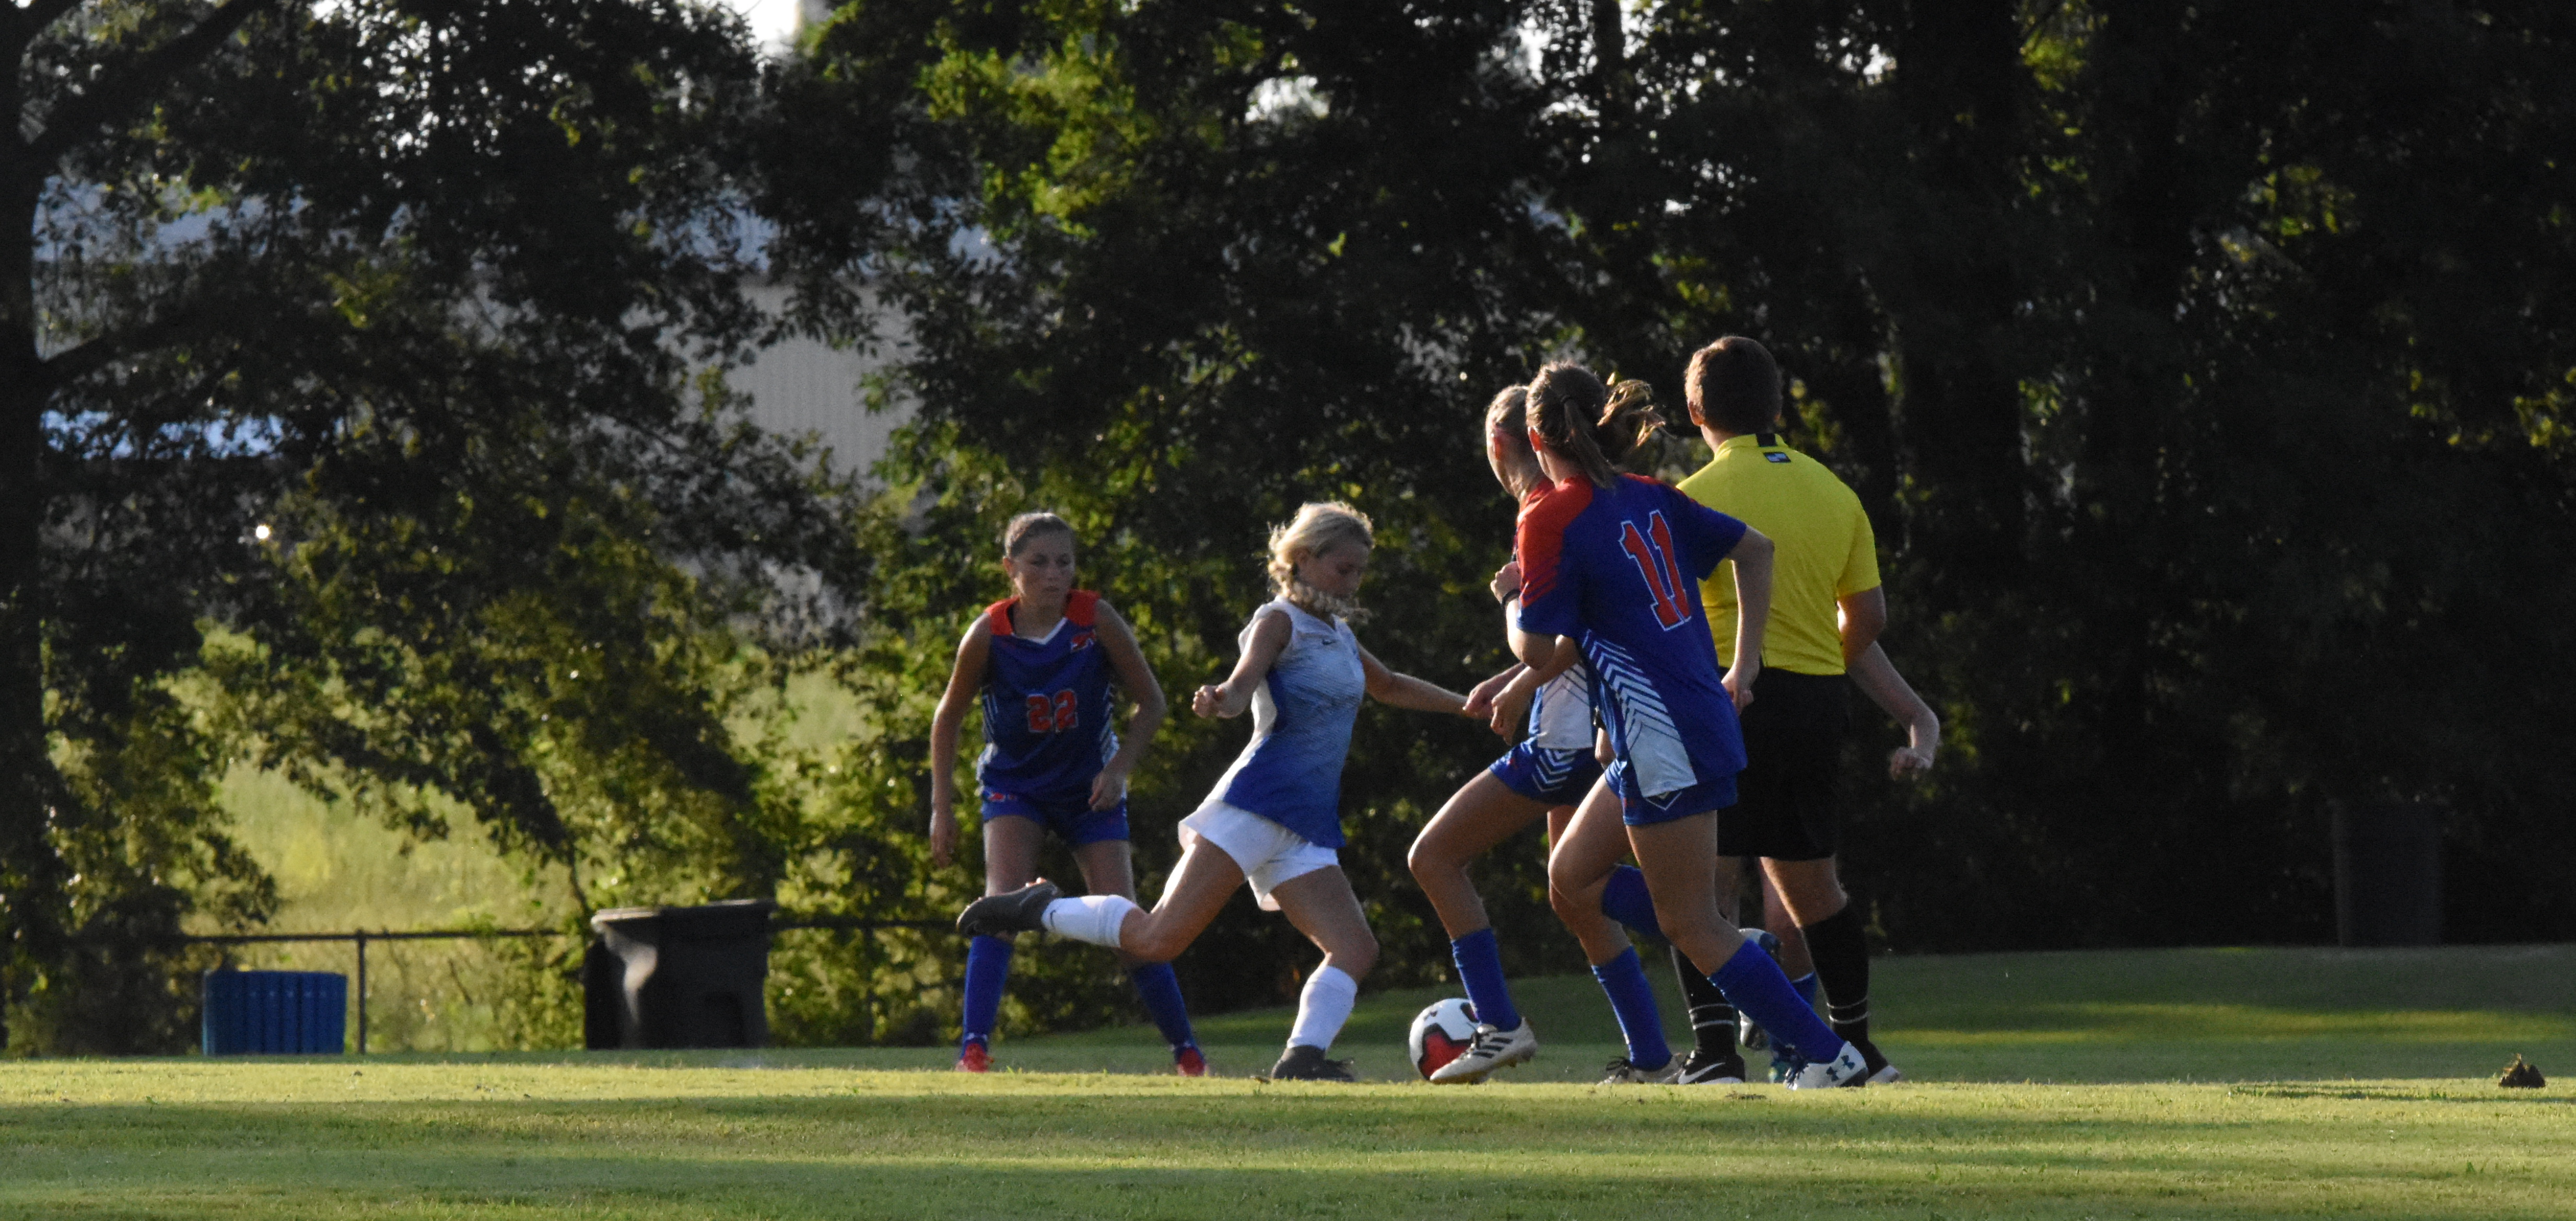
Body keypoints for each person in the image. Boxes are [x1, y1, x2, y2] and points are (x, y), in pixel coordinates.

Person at [957, 502, 1480, 1080]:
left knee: (1356, 949)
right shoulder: (1278, 620)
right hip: (1255, 806)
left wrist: (1468, 706)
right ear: (1304, 561)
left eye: (1359, 571)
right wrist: (1222, 700)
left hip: (1302, 823)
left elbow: (1389, 686)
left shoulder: (1338, 633)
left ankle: (1301, 1060)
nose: (1353, 582)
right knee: (1156, 939)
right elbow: (1242, 682)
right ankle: (1043, 908)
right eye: (1343, 569)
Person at [1513, 361, 1872, 1090]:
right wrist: (1742, 666)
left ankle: (1832, 1057)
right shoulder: (1651, 495)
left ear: (1533, 435)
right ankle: (1749, 958)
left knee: (1689, 921)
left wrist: (1513, 600)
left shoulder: (1549, 513)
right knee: (1570, 877)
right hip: (1693, 715)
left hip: (1658, 734)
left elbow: (1542, 654)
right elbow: (1757, 549)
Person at [1662, 335, 1935, 1086]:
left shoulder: (1691, 500)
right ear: (1778, 406)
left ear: (1695, 413)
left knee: (1704, 884)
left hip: (1726, 695)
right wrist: (1817, 650)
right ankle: (1859, 1049)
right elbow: (1869, 617)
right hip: (1816, 700)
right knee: (1815, 887)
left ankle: (1715, 1053)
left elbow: (1665, 616)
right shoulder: (1834, 491)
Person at [927, 511, 1201, 1075]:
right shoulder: (990, 633)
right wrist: (941, 808)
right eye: (1039, 563)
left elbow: (1152, 703)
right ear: (1011, 569)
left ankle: (1188, 1055)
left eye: (1064, 562)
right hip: (1016, 786)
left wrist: (1121, 766)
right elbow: (948, 717)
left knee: (1130, 926)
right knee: (999, 904)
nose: (1054, 574)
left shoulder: (1094, 619)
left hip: (1088, 789)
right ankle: (973, 1051)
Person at [1408, 388, 1609, 1084]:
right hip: (1602, 738)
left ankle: (1498, 1024)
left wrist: (1511, 603)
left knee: (1432, 857)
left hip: (1564, 745)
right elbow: (1585, 631)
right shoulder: (1594, 498)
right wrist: (1516, 682)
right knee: (1577, 892)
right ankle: (1653, 1049)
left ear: (1501, 447)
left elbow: (1547, 636)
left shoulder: (1541, 511)